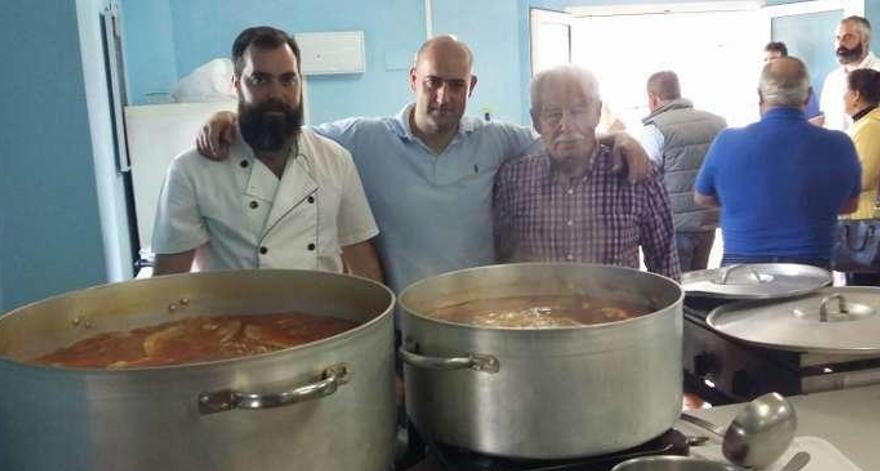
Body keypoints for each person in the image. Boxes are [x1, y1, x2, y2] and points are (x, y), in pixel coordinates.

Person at [197, 35, 651, 293]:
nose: (443, 97)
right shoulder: (363, 139)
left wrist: (619, 136)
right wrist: (230, 117)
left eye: (456, 85)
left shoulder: (499, 141)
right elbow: (289, 135)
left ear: (470, 86)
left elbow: (560, 136)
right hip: (405, 324)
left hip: (486, 316)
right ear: (414, 79)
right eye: (433, 82)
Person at [151, 26, 382, 282]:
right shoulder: (191, 171)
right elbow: (167, 283)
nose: (276, 93)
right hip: (231, 319)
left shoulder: (335, 160)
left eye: (287, 79)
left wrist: (381, 320)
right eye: (260, 80)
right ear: (237, 85)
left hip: (323, 318)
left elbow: (362, 259)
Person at [493, 65, 681, 281]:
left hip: (622, 313)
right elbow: (502, 266)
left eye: (578, 111)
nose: (567, 125)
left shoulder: (638, 176)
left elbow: (666, 269)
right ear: (536, 121)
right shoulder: (513, 180)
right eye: (553, 114)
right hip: (536, 312)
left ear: (597, 112)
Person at [695, 56, 861, 268]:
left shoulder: (727, 141)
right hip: (811, 268)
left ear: (759, 95)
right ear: (809, 96)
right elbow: (850, 204)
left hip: (742, 268)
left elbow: (702, 197)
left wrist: (744, 202)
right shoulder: (839, 144)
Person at [639, 70, 726, 272]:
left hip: (673, 224)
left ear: (653, 98)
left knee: (673, 287)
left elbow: (645, 177)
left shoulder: (655, 129)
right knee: (700, 283)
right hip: (708, 220)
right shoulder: (717, 123)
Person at [842, 68, 880, 285]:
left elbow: (862, 178)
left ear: (855, 95)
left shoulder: (870, 127)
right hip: (863, 224)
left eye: (846, 92)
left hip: (865, 226)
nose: (843, 98)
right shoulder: (866, 124)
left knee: (863, 290)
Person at [820, 16, 880, 131]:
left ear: (865, 39)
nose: (840, 43)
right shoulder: (832, 79)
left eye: (848, 37)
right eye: (838, 38)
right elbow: (827, 121)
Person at [764, 41, 824, 125]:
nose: (768, 64)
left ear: (785, 60)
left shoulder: (801, 87)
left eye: (773, 59)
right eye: (766, 60)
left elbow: (817, 120)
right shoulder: (762, 91)